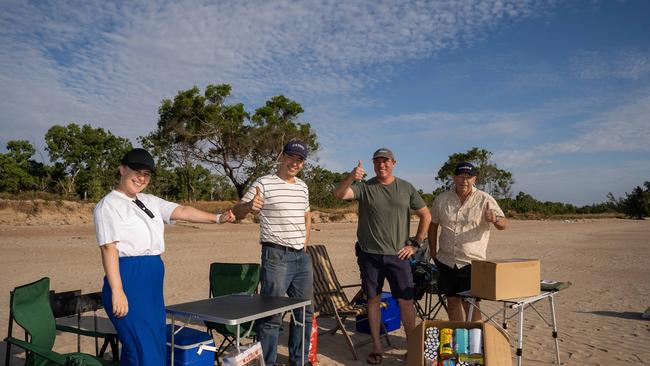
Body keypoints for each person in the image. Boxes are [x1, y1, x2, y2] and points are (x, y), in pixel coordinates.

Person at [93, 148, 235, 366]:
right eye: (136, 171)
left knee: (156, 341)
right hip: (128, 277)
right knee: (140, 347)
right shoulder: (108, 205)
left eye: (146, 174)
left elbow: (184, 211)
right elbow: (108, 249)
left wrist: (217, 218)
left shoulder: (149, 200)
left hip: (152, 277)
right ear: (122, 169)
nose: (141, 178)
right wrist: (117, 290)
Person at [334, 148, 431, 365]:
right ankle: (376, 347)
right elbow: (339, 194)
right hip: (370, 256)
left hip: (399, 256)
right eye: (377, 161)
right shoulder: (365, 187)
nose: (381, 165)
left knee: (406, 302)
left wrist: (415, 243)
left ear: (393, 163)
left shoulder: (405, 187)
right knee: (373, 301)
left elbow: (426, 214)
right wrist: (352, 176)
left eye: (385, 161)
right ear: (373, 164)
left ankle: (412, 348)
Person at [232, 140, 313, 366]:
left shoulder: (303, 186)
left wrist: (305, 243)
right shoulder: (264, 183)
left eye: (299, 160)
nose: (294, 163)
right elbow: (237, 211)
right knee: (271, 314)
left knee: (304, 312)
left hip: (301, 257)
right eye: (291, 157)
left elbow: (307, 216)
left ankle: (300, 361)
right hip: (276, 256)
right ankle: (268, 362)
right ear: (281, 156)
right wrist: (250, 206)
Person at [428, 161, 507, 321]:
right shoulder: (442, 199)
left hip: (471, 262)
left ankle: (475, 342)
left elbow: (503, 225)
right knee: (452, 301)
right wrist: (433, 251)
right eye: (460, 176)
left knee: (471, 303)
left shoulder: (485, 199)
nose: (464, 180)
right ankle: (459, 339)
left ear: (474, 179)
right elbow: (433, 225)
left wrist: (495, 218)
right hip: (446, 260)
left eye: (468, 177)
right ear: (454, 178)